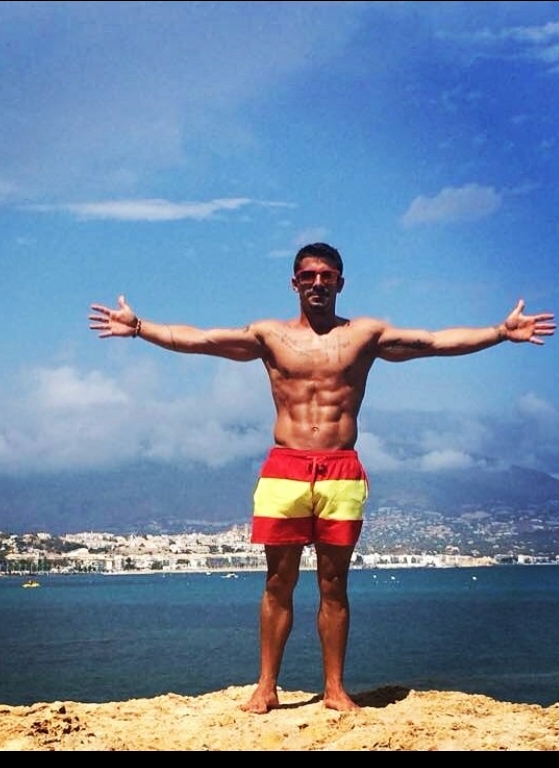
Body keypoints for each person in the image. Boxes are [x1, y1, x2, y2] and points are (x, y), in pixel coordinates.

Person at [89, 242, 555, 713]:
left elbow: (433, 342)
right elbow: (203, 340)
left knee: (334, 584)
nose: (317, 283)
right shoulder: (269, 335)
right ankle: (266, 686)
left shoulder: (364, 335)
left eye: (326, 275)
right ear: (294, 283)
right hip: (286, 468)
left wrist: (500, 332)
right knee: (278, 582)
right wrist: (140, 328)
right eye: (309, 275)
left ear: (340, 283)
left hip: (340, 470)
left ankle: (334, 688)